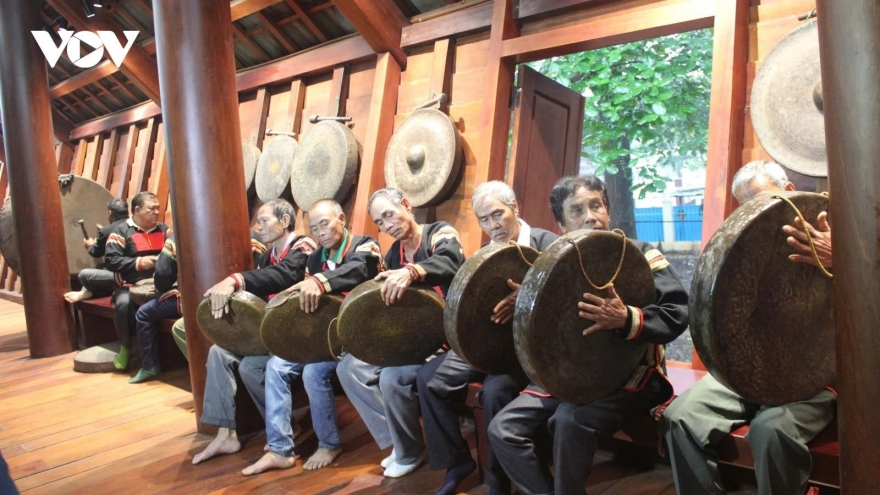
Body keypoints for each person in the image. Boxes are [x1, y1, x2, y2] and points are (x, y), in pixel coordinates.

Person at [489, 175, 689, 494]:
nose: (590, 216)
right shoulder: (553, 264)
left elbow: (676, 314)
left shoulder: (640, 253)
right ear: (561, 224)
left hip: (633, 377)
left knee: (569, 420)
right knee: (502, 429)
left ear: (608, 211)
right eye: (577, 211)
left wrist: (627, 318)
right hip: (568, 374)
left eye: (596, 205)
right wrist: (526, 301)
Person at [661, 160, 835, 495]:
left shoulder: (835, 231)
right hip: (751, 370)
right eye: (748, 207)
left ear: (788, 192)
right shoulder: (748, 246)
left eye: (764, 200)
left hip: (813, 375)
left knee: (771, 430)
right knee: (679, 418)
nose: (757, 214)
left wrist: (838, 256)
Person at [417, 181, 558, 495]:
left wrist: (525, 300)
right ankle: (457, 461)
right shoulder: (483, 253)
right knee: (428, 379)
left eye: (498, 214)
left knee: (495, 390)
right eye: (484, 219)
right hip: (488, 343)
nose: (493, 225)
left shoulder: (546, 243)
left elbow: (562, 301)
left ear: (514, 208)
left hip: (529, 351)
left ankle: (497, 480)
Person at [242, 199, 383, 475]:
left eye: (325, 224)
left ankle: (329, 443)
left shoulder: (365, 245)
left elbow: (359, 269)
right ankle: (280, 449)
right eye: (314, 228)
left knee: (313, 373)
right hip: (325, 338)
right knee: (275, 366)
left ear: (341, 219)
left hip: (363, 337)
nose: (319, 232)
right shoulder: (315, 258)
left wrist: (319, 282)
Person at [337, 188, 465, 479]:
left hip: (447, 337)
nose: (387, 225)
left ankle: (409, 451)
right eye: (380, 222)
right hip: (412, 340)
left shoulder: (438, 233)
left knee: (391, 376)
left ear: (406, 205)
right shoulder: (393, 254)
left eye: (389, 214)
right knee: (348, 367)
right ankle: (399, 441)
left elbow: (451, 260)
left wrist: (411, 272)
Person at [193, 199, 316, 465]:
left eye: (263, 220)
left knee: (251, 368)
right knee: (218, 351)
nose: (257, 226)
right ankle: (226, 434)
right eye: (257, 221)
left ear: (284, 221)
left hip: (299, 333)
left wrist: (235, 279)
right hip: (272, 333)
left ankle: (284, 429)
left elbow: (285, 275)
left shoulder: (304, 246)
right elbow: (259, 292)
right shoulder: (266, 256)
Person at [103, 192, 168, 371]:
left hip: (161, 285)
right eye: (151, 208)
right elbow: (111, 261)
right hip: (129, 286)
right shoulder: (121, 231)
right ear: (137, 210)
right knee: (123, 305)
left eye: (158, 208)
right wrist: (138, 263)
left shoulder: (164, 229)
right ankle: (125, 347)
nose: (156, 212)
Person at [129, 232, 181, 383]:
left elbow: (162, 275)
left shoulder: (177, 237)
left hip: (194, 299)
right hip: (233, 295)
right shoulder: (247, 234)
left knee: (143, 313)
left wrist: (161, 288)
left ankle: (149, 365)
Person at [63, 198, 129, 303]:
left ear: (110, 213)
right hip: (137, 273)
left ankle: (88, 292)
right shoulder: (136, 226)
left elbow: (96, 252)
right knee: (101, 269)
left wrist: (90, 245)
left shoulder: (107, 231)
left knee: (84, 275)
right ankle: (87, 292)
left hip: (122, 276)